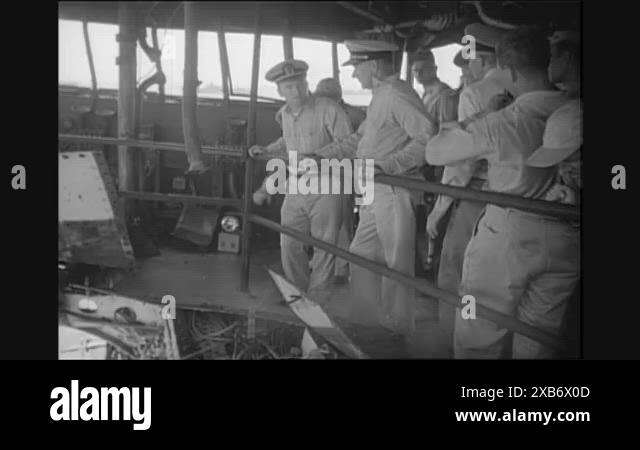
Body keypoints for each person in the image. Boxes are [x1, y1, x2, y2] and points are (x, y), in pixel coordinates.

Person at [425, 26, 578, 359]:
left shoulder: (501, 121)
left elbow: (434, 153)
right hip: (569, 236)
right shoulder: (573, 108)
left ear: (507, 70)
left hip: (510, 234)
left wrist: (482, 115)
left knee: (478, 325)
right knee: (538, 337)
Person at [313, 40, 435, 336]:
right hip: (372, 190)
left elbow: (429, 135)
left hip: (392, 190)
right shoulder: (381, 96)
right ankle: (367, 321)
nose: (354, 75)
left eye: (357, 66)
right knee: (361, 252)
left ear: (375, 65)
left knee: (397, 262)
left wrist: (390, 166)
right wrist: (320, 156)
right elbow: (359, 139)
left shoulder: (395, 94)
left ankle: (396, 330)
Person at [426, 23, 506, 354]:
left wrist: (439, 209)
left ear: (483, 61)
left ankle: (450, 343)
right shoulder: (530, 87)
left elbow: (461, 165)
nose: (467, 68)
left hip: (477, 199)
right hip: (517, 201)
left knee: (454, 274)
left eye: (470, 60)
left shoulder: (474, 94)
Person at [248, 60, 353, 292]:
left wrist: (320, 156)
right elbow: (288, 140)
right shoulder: (285, 114)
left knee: (325, 247)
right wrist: (268, 150)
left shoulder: (328, 108)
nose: (295, 91)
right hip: (296, 186)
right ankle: (298, 292)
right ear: (279, 91)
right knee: (289, 242)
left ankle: (317, 302)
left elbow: (349, 143)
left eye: (298, 85)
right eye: (288, 88)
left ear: (307, 83)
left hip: (326, 186)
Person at [313, 78, 366, 283]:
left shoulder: (353, 116)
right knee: (331, 221)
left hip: (342, 173)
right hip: (329, 173)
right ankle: (333, 265)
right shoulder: (356, 114)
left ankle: (341, 267)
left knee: (341, 222)